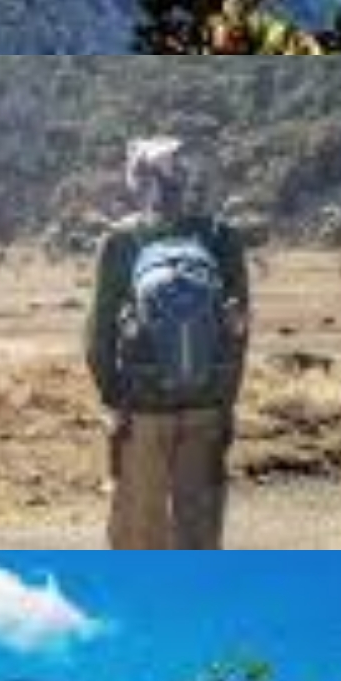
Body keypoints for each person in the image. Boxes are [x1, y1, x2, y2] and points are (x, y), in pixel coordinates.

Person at [86, 137, 251, 549]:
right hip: (205, 407)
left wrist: (114, 400)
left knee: (138, 537)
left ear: (140, 180)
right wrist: (224, 402)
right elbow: (239, 331)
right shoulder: (221, 237)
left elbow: (98, 338)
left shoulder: (121, 242)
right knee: (198, 535)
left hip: (141, 411)